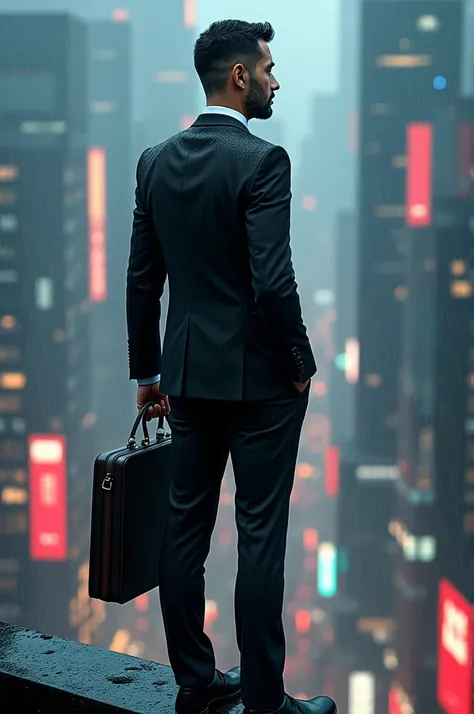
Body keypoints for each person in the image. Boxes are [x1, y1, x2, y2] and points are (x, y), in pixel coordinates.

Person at [126, 19, 337, 714]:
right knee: (260, 537)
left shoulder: (155, 160)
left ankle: (194, 680)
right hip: (259, 384)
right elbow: (273, 283)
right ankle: (265, 701)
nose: (277, 79)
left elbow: (142, 281)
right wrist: (301, 364)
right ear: (240, 76)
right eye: (270, 68)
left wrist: (147, 376)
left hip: (185, 377)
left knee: (183, 528)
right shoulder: (262, 162)